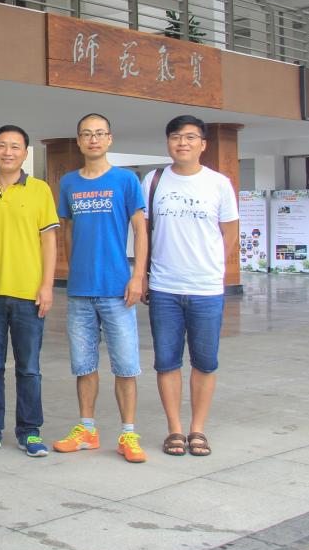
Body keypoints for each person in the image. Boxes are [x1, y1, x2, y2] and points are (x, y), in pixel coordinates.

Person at [53, 113, 149, 463]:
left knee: (126, 366)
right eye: (86, 134)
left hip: (117, 288)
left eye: (99, 133)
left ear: (110, 139)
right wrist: (72, 269)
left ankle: (128, 434)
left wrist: (137, 276)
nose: (93, 139)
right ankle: (87, 430)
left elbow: (140, 229)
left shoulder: (126, 180)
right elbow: (67, 230)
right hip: (80, 291)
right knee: (83, 365)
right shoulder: (68, 183)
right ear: (79, 141)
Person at [141, 114, 238, 457]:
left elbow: (230, 232)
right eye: (176, 137)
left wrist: (213, 267)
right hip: (164, 287)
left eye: (190, 137)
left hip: (206, 289)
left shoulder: (219, 183)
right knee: (166, 361)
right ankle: (175, 429)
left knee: (205, 362)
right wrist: (141, 275)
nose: (182, 142)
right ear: (168, 142)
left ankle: (198, 429)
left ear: (203, 144)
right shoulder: (153, 181)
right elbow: (142, 232)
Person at [0, 124, 59, 458]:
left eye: (15, 146)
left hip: (28, 293)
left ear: (25, 153)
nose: (8, 152)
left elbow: (49, 242)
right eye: (2, 145)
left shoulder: (40, 190)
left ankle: (29, 431)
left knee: (29, 367)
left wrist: (47, 286)